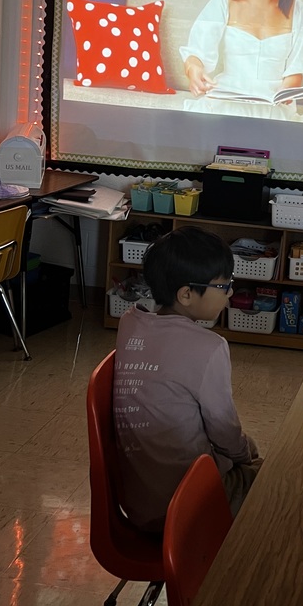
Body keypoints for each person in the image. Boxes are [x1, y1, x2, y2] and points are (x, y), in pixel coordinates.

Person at [113, 226, 262, 532]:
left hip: (138, 504)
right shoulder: (210, 347)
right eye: (224, 286)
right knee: (277, 477)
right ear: (186, 294)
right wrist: (244, 455)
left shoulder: (130, 322)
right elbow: (225, 429)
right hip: (188, 507)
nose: (231, 293)